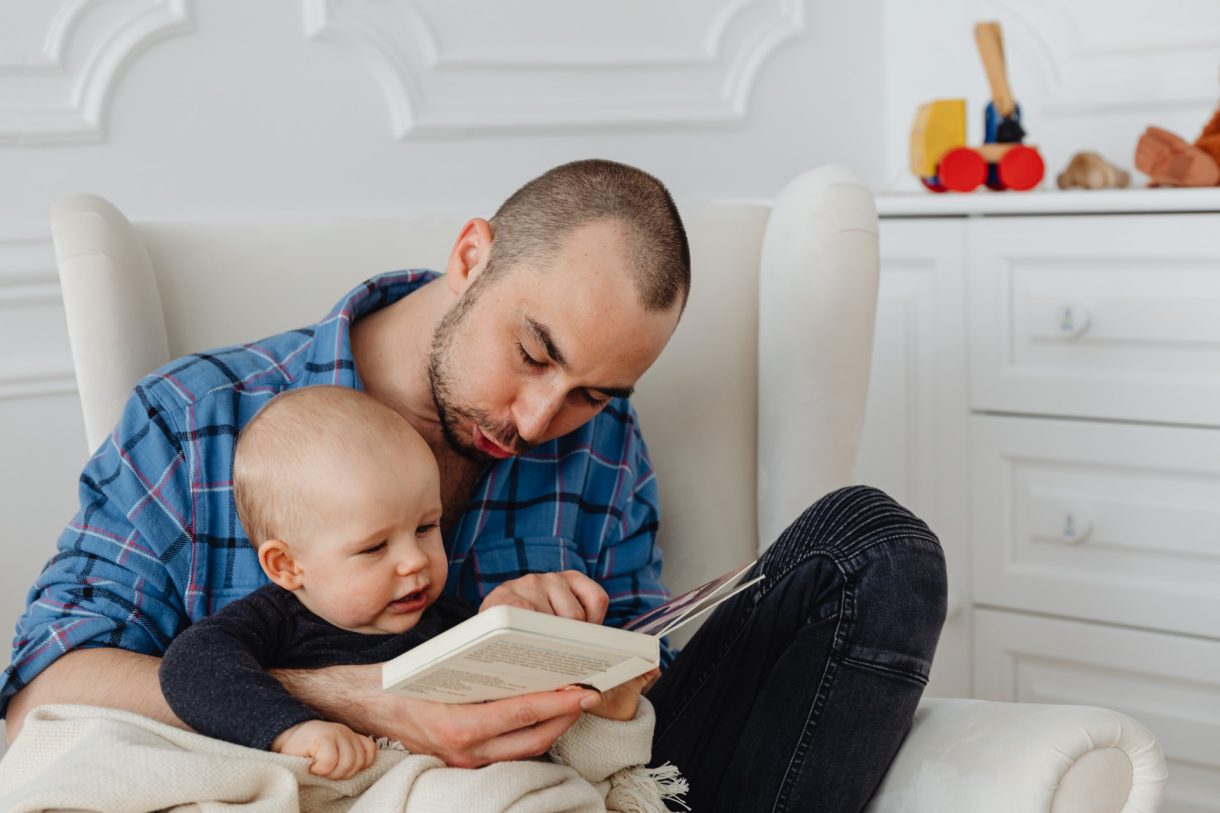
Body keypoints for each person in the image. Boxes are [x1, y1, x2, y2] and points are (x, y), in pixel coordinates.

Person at [3, 158, 947, 811]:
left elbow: (636, 706)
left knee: (873, 545)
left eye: (590, 391)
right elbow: (43, 699)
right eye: (535, 353)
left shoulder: (602, 442)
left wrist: (597, 653)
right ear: (470, 256)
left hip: (560, 785)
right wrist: (365, 697)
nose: (538, 421)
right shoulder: (195, 417)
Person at [156, 385, 673, 807]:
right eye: (375, 546)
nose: (414, 561)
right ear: (287, 565)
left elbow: (544, 744)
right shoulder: (272, 621)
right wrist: (292, 731)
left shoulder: (455, 625)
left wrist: (607, 706)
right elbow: (189, 668)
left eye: (426, 528)